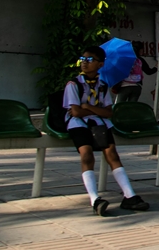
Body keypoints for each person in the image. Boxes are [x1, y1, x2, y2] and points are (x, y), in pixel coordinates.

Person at [64, 45, 150, 216]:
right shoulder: (74, 84)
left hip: (99, 123)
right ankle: (95, 199)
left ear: (100, 64)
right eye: (83, 59)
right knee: (87, 154)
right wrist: (94, 110)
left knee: (112, 154)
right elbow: (76, 112)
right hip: (78, 124)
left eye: (90, 60)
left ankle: (129, 195)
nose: (85, 63)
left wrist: (88, 107)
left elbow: (109, 112)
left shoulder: (102, 86)